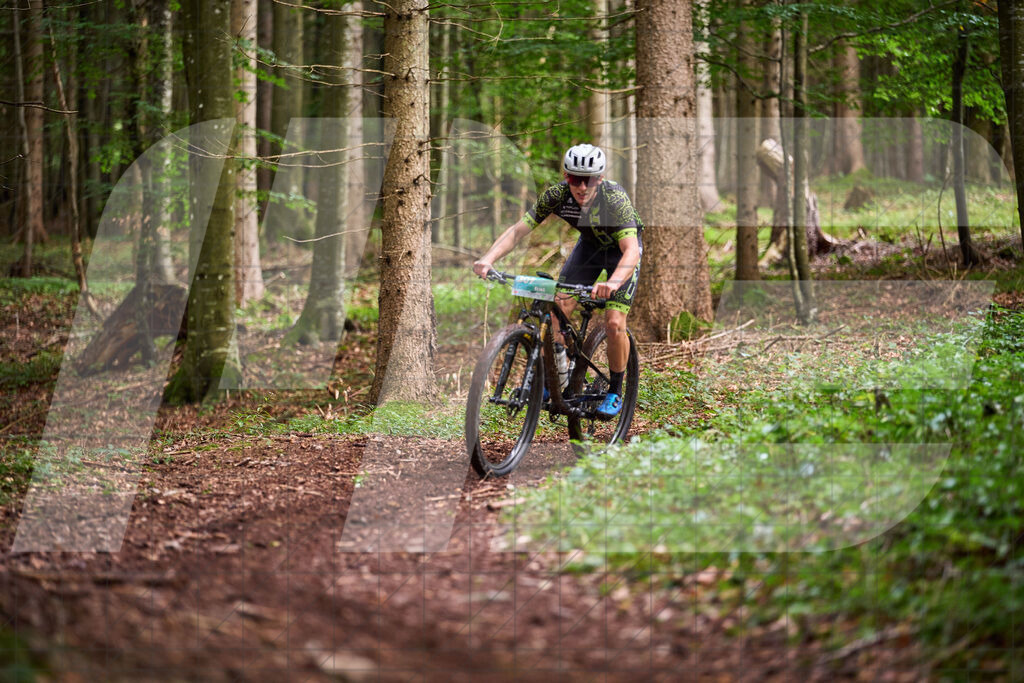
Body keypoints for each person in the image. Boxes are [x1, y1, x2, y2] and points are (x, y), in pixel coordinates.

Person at [473, 143, 642, 417]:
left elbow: (631, 251)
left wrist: (613, 283)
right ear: (566, 177)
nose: (582, 187)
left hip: (621, 253)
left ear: (599, 179)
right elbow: (518, 231)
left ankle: (615, 391)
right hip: (588, 249)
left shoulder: (614, 199)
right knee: (558, 309)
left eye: (589, 180)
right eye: (576, 179)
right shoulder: (557, 195)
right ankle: (558, 381)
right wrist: (488, 259)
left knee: (613, 321)